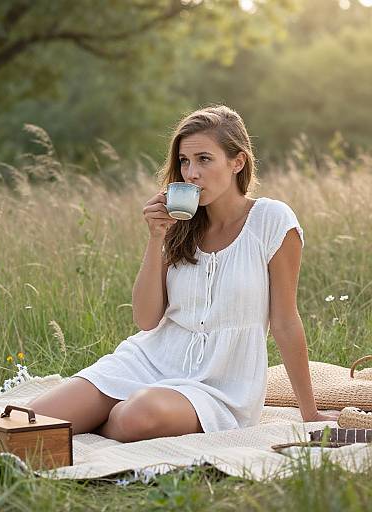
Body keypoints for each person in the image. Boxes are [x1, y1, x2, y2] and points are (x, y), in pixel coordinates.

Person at [26, 104, 340, 442]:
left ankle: (104, 418)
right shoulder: (180, 223)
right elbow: (146, 320)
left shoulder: (272, 220)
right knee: (31, 419)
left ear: (238, 162)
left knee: (137, 415)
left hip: (220, 385)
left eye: (204, 159)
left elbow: (285, 320)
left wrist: (310, 412)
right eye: (184, 161)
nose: (191, 173)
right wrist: (156, 236)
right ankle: (100, 416)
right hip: (149, 360)